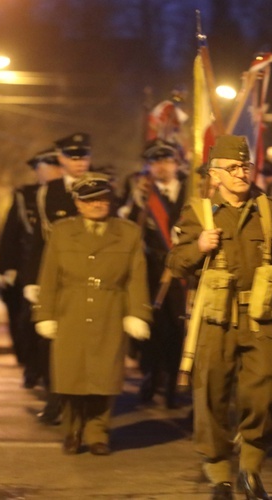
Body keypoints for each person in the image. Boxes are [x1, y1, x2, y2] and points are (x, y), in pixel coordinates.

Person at [166, 135, 272, 500]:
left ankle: (250, 469)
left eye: (244, 166)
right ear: (215, 175)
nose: (241, 173)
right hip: (214, 321)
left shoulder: (271, 210)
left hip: (262, 319)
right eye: (232, 168)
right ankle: (219, 475)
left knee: (266, 394)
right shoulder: (197, 212)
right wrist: (199, 247)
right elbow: (175, 262)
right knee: (211, 397)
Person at [34, 172, 152, 455]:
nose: (98, 205)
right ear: (77, 203)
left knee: (105, 377)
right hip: (70, 310)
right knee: (70, 377)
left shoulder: (128, 232)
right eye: (90, 200)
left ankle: (98, 432)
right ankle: (72, 430)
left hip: (109, 310)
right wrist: (44, 315)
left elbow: (136, 277)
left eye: (102, 199)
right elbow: (49, 276)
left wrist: (137, 313)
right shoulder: (62, 231)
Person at [27, 133, 92, 424]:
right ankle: (55, 400)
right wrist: (33, 280)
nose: (79, 163)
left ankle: (85, 403)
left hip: (90, 277)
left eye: (83, 156)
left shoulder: (98, 187)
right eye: (72, 157)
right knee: (50, 343)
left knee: (88, 343)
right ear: (61, 159)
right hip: (58, 277)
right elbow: (39, 241)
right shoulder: (47, 192)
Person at [122, 139, 188, 408]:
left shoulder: (192, 191)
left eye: (167, 161)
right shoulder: (142, 194)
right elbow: (130, 229)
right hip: (152, 272)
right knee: (153, 327)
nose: (162, 167)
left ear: (176, 164)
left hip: (183, 272)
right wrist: (137, 202)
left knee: (178, 328)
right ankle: (150, 375)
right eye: (155, 162)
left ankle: (172, 382)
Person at [0, 147, 62, 388]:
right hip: (32, 267)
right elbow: (11, 232)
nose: (47, 172)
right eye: (43, 169)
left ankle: (50, 371)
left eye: (51, 167)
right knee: (29, 321)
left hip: (61, 266)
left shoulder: (68, 192)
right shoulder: (27, 195)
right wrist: (5, 266)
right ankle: (33, 365)